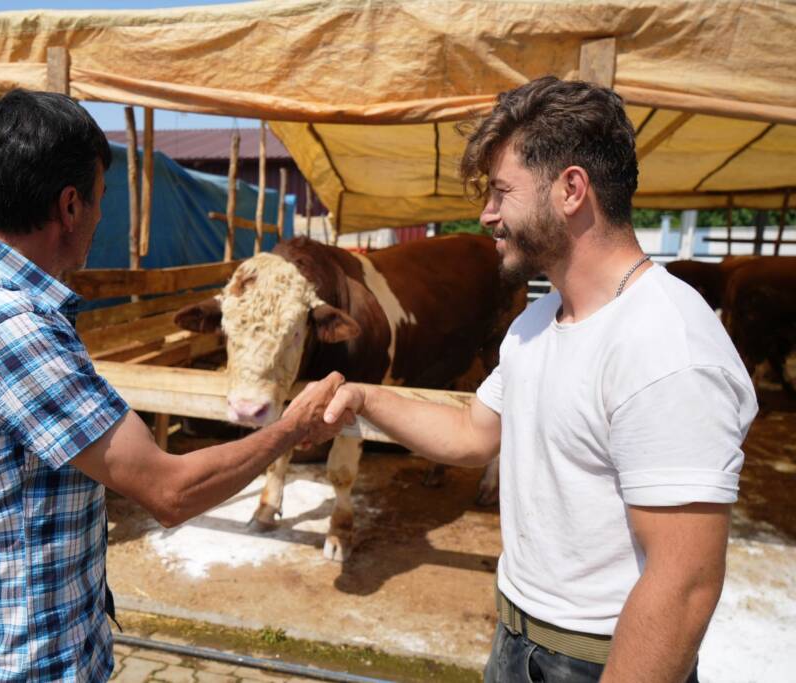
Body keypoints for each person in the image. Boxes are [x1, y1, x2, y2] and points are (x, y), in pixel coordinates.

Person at [0, 90, 350, 682]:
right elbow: (170, 492)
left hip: (0, 638)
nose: (102, 215)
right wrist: (293, 428)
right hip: (28, 664)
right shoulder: (13, 328)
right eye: (102, 199)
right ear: (70, 205)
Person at [320, 77, 757, 682]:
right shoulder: (537, 321)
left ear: (571, 189)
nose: (486, 214)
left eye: (502, 193)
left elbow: (683, 585)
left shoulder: (667, 345)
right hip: (518, 638)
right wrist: (365, 397)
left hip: (603, 659)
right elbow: (473, 432)